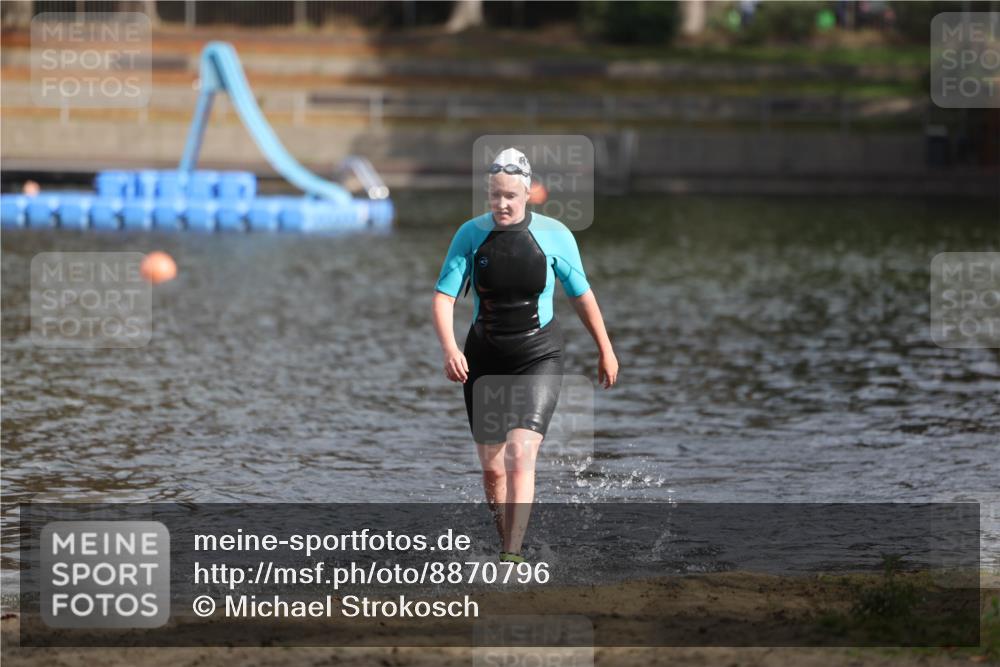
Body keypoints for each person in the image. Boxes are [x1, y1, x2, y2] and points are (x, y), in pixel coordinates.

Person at [432, 147, 618, 563]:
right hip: (484, 356)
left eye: (510, 196)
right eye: (495, 195)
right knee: (493, 467)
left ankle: (513, 555)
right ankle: (507, 544)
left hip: (539, 354)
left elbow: (582, 296)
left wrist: (604, 348)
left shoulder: (555, 236)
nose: (502, 204)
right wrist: (448, 349)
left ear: (529, 194)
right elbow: (443, 298)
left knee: (520, 454)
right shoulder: (470, 234)